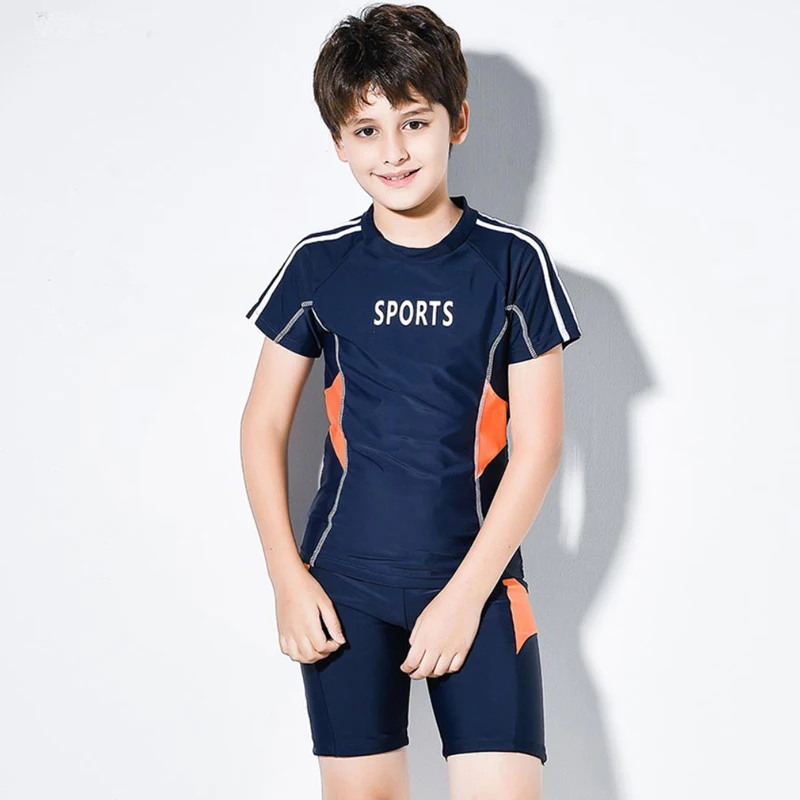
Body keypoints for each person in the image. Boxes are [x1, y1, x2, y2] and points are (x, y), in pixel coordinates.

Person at [240, 4, 582, 798]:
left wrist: (465, 596)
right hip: (343, 590)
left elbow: (538, 448)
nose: (392, 152)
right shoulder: (320, 264)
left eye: (414, 123)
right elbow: (262, 425)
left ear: (457, 121)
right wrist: (286, 578)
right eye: (366, 131)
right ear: (339, 142)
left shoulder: (513, 263)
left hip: (479, 584)